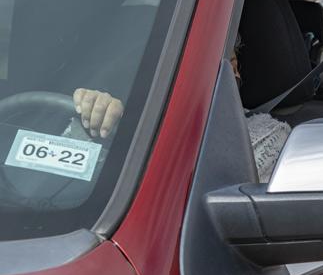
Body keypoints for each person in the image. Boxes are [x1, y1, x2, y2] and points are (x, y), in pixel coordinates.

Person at [69, 37, 290, 182]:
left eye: (231, 64)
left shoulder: (266, 134)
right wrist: (94, 125)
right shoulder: (128, 117)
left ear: (233, 71)